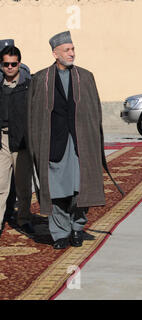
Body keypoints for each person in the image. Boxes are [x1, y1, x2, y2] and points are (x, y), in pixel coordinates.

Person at [27, 31, 110, 249]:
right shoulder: (41, 79)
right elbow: (34, 115)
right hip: (54, 145)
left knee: (79, 190)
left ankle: (77, 227)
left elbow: (94, 112)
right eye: (67, 50)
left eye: (73, 49)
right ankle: (60, 233)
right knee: (57, 192)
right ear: (55, 53)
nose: (72, 53)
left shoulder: (86, 77)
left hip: (80, 145)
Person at [0, 46, 34, 238]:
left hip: (21, 141)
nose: (10, 67)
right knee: (0, 185)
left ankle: (24, 219)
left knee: (23, 186)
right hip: (2, 140)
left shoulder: (28, 86)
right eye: (6, 64)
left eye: (14, 64)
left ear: (19, 64)